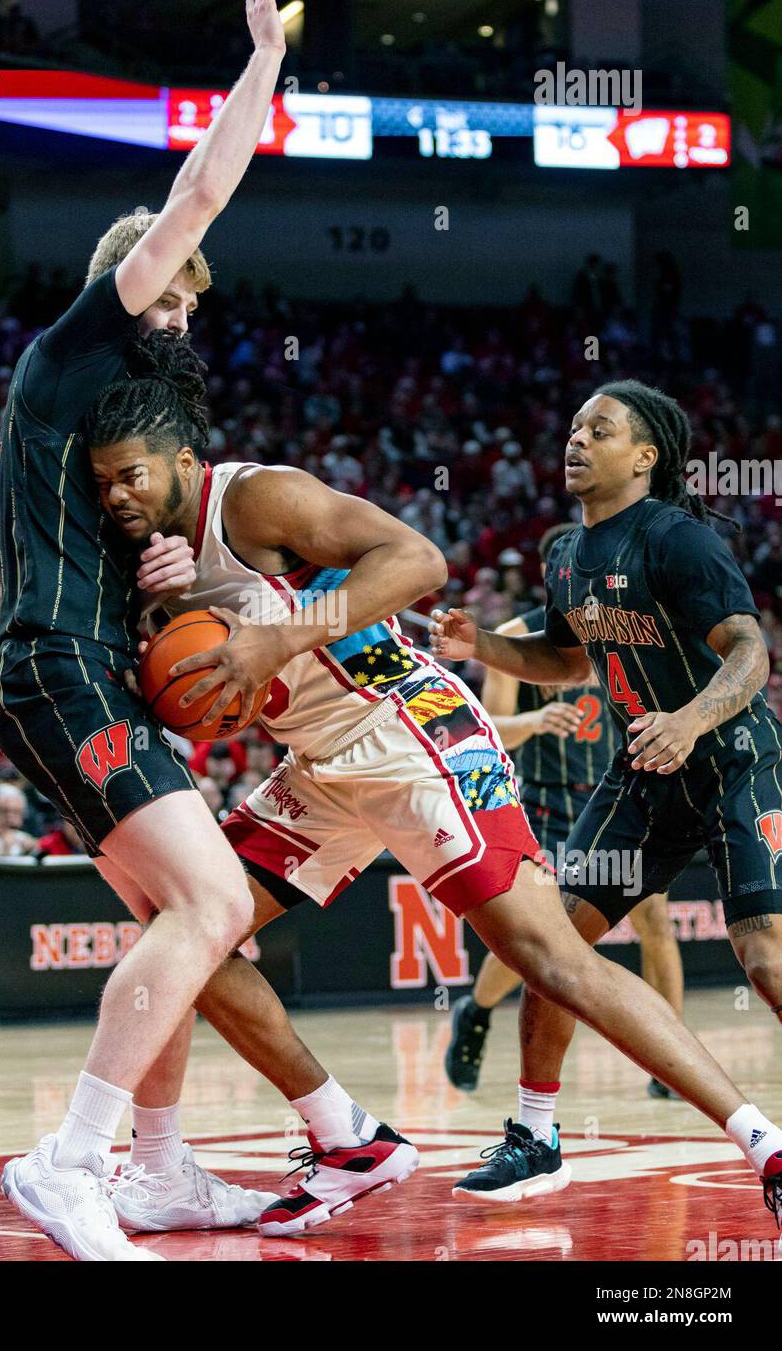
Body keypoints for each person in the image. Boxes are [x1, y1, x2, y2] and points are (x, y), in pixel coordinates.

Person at [86, 357, 782, 1238]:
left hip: (414, 733)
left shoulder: (254, 498)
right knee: (186, 934)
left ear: (184, 461)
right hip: (320, 767)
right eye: (103, 480)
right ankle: (348, 1138)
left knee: (554, 957)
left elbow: (419, 561)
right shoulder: (149, 556)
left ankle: (762, 1143)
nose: (115, 494)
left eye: (131, 474)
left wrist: (276, 641)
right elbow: (563, 657)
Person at [0, 0, 291, 1262]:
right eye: (169, 296)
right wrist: (261, 59)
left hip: (93, 666)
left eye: (188, 307)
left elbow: (147, 567)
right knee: (216, 902)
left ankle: (159, 1169)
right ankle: (72, 1159)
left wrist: (166, 574)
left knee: (183, 913)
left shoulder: (121, 441)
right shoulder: (75, 348)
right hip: (57, 668)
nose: (180, 318)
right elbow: (200, 190)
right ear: (129, 284)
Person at [431, 380, 782, 1208]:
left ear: (646, 457)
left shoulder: (680, 541)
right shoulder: (564, 551)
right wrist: (476, 642)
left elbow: (751, 654)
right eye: (576, 426)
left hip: (729, 754)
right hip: (642, 775)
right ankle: (537, 1135)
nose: (577, 440)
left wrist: (692, 720)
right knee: (552, 948)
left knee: (762, 956)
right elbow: (564, 660)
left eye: (602, 429)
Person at [446, 522, 684, 1099]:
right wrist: (531, 721)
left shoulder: (629, 633)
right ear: (558, 581)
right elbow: (485, 726)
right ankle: (476, 1010)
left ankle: (669, 1060)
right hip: (546, 799)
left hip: (618, 793)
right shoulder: (516, 636)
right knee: (544, 937)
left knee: (655, 922)